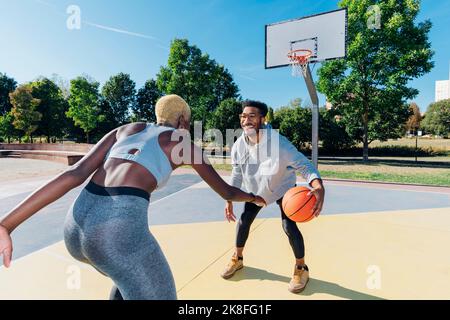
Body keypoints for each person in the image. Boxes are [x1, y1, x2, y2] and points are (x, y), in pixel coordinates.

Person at [0, 94, 265, 300]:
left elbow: (75, 173)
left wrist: (6, 225)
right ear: (184, 121)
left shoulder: (127, 129)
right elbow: (226, 191)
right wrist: (254, 197)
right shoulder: (183, 144)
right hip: (115, 235)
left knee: (125, 276)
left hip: (75, 225)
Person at [221, 100, 325, 294]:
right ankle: (238, 258)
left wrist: (318, 185)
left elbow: (304, 165)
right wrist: (229, 199)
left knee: (289, 226)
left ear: (263, 119)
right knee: (243, 221)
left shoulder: (280, 144)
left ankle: (301, 268)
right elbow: (236, 174)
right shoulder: (238, 145)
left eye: (252, 116)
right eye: (243, 116)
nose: (246, 120)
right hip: (256, 191)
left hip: (282, 187)